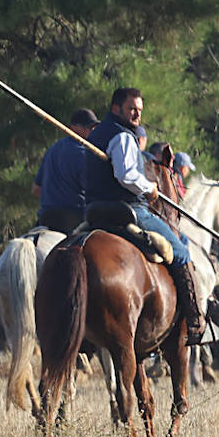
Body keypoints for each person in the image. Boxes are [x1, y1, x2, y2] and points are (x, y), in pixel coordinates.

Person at [85, 87, 205, 342]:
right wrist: (149, 187)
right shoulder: (123, 136)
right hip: (128, 208)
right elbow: (126, 176)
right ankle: (194, 320)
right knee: (181, 252)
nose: (137, 114)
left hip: (94, 210)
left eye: (139, 110)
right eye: (132, 109)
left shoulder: (97, 134)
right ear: (116, 108)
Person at [32, 109, 99, 234]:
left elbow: (36, 189)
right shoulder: (84, 153)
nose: (91, 131)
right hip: (74, 219)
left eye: (93, 127)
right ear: (73, 128)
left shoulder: (52, 150)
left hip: (45, 217)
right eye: (87, 127)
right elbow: (93, 192)